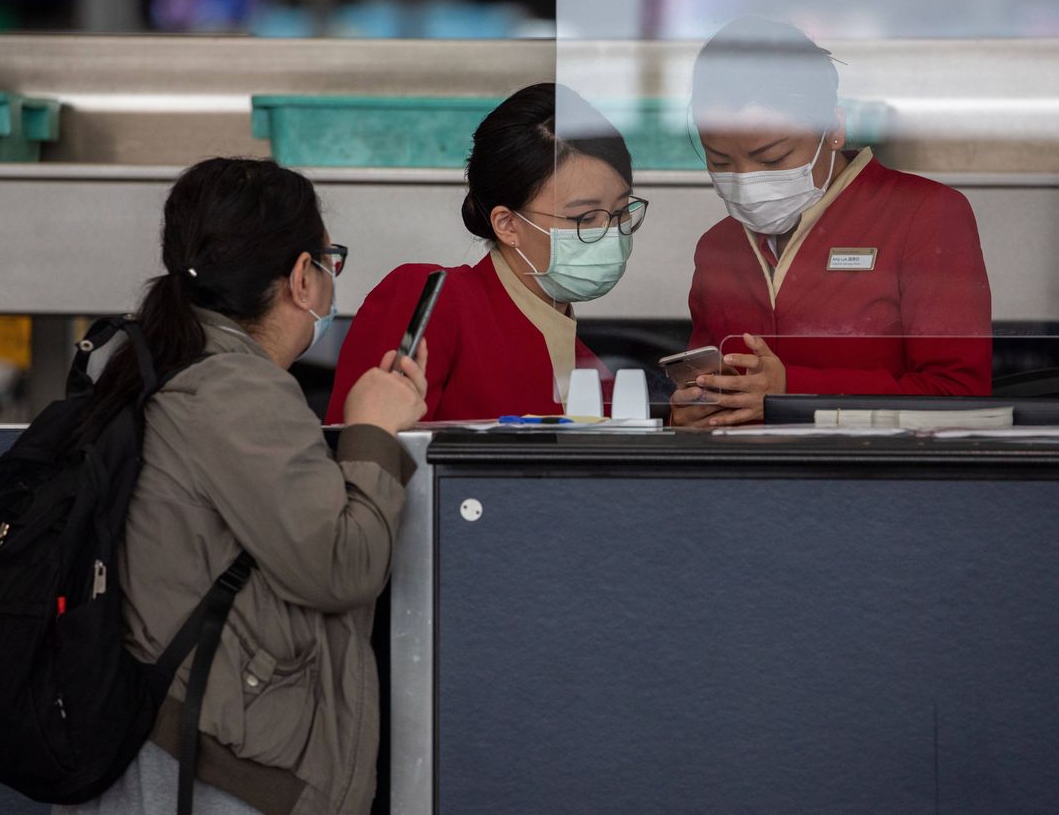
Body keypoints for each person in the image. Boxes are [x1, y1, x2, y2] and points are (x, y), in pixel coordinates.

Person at [56, 157, 427, 815]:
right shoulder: (236, 388)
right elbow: (340, 564)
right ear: (302, 278)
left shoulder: (158, 363)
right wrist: (373, 428)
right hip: (210, 769)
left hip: (165, 748)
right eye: (328, 260)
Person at [672, 17, 992, 428]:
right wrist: (696, 408)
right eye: (720, 161)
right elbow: (714, 391)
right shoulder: (718, 247)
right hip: (747, 481)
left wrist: (794, 391)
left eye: (772, 158)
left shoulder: (925, 214)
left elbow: (959, 395)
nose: (748, 178)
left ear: (834, 129)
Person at [326, 83, 648, 423]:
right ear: (507, 224)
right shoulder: (433, 300)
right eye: (586, 217)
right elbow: (364, 447)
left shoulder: (596, 375)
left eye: (622, 211)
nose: (611, 230)